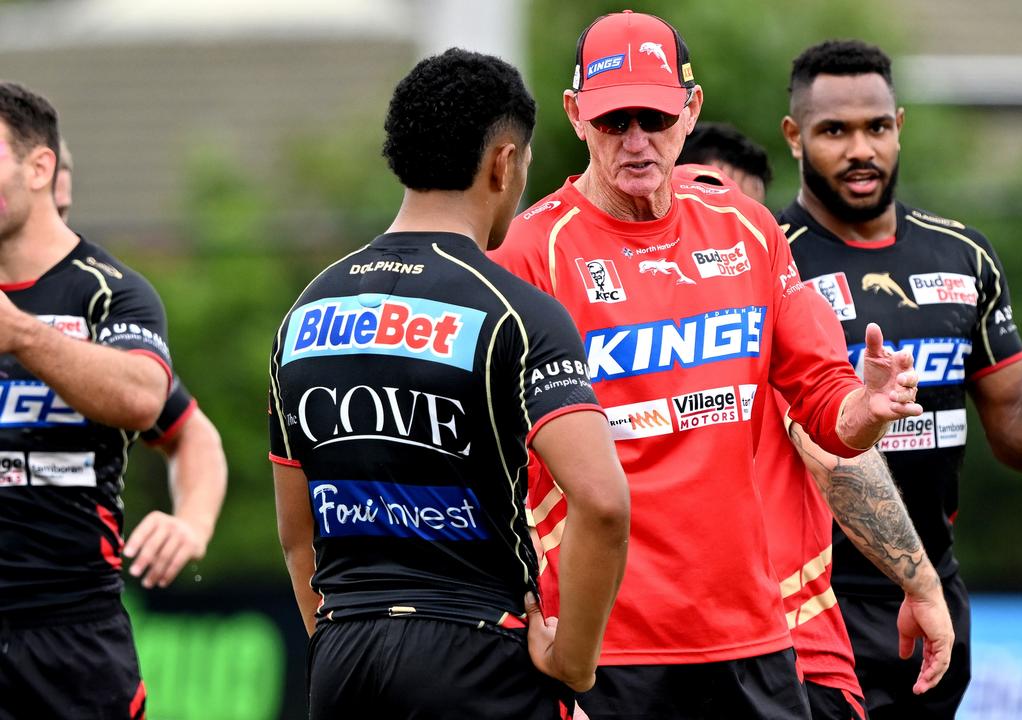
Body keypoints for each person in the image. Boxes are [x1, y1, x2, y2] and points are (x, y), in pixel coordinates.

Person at [492, 12, 951, 718]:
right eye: (616, 121)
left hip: (751, 637)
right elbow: (489, 463)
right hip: (607, 648)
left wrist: (869, 408)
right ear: (575, 115)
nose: (638, 141)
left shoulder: (746, 228)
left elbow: (826, 408)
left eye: (656, 115)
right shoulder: (531, 253)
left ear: (692, 107)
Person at [777, 40, 1022, 719]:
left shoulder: (964, 256)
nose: (860, 149)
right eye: (833, 131)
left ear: (900, 124)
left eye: (876, 127)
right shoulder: (766, 257)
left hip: (936, 591)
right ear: (794, 137)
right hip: (808, 603)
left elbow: (1017, 430)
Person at [268, 49, 630, 720]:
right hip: (478, 653)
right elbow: (604, 503)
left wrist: (341, 646)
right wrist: (572, 662)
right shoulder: (517, 311)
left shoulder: (303, 313)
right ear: (502, 161)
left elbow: (298, 537)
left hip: (342, 653)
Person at [676, 127, 867, 719]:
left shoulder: (778, 315)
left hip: (800, 651)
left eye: (746, 215)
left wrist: (922, 582)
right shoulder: (571, 291)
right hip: (670, 653)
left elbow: (840, 450)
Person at [0, 80, 177, 719]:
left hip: (70, 632)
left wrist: (19, 332)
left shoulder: (110, 292)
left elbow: (144, 399)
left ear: (40, 166)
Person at [55, 137, 227, 592]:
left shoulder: (90, 307)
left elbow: (192, 433)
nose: (54, 231)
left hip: (70, 619)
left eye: (63, 212)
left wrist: (191, 523)